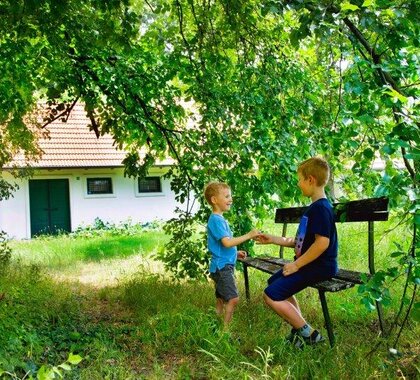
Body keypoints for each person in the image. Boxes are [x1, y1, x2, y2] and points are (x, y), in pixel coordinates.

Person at [256, 157, 338, 348]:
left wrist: (296, 265)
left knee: (271, 295)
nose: (298, 183)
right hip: (312, 264)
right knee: (274, 283)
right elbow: (301, 242)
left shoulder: (321, 209)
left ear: (310, 179)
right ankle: (298, 329)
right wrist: (273, 239)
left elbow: (322, 243)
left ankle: (309, 334)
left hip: (320, 266)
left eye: (300, 179)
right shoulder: (314, 208)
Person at [204, 181, 260, 330]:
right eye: (227, 196)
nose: (231, 199)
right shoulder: (216, 220)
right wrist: (249, 235)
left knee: (221, 299)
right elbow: (227, 243)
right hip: (222, 268)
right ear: (214, 200)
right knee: (233, 299)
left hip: (220, 266)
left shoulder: (218, 219)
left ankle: (214, 324)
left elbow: (222, 246)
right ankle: (225, 331)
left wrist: (235, 252)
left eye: (231, 196)